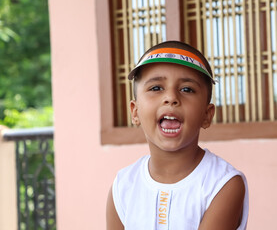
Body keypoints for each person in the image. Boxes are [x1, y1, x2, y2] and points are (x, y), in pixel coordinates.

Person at [106, 41, 249, 230]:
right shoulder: (123, 187)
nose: (171, 97)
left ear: (207, 115)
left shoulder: (223, 184)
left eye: (187, 89)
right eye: (156, 88)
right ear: (135, 111)